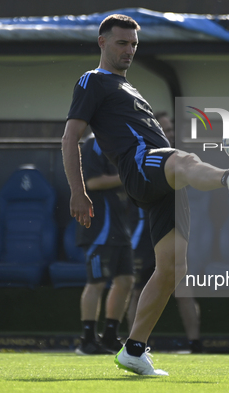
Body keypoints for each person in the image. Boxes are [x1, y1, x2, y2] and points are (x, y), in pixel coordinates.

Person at [62, 14, 229, 376]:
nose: (129, 50)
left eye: (134, 45)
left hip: (162, 181)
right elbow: (69, 137)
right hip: (140, 167)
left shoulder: (131, 88)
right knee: (183, 158)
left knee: (172, 270)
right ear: (102, 43)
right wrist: (78, 191)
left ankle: (134, 350)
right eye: (122, 43)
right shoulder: (92, 81)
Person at [126, 111, 202, 354]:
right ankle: (134, 345)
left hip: (171, 231)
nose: (169, 134)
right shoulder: (139, 156)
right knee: (137, 290)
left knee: (183, 289)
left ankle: (195, 344)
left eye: (171, 130)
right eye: (165, 130)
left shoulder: (179, 160)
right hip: (144, 236)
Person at [74, 135, 135, 355]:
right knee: (96, 283)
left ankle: (110, 336)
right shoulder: (93, 144)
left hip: (120, 229)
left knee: (126, 281)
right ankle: (87, 340)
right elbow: (92, 182)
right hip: (99, 229)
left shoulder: (122, 144)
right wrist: (126, 176)